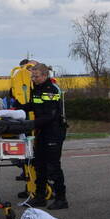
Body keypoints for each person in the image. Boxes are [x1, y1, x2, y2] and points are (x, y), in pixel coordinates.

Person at [24, 64, 67, 210]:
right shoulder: (37, 88)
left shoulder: (51, 89)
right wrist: (19, 107)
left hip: (53, 131)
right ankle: (40, 196)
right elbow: (35, 106)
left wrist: (31, 124)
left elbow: (50, 115)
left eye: (36, 76)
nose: (33, 78)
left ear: (44, 75)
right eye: (32, 76)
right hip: (41, 132)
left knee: (53, 166)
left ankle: (61, 198)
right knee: (39, 165)